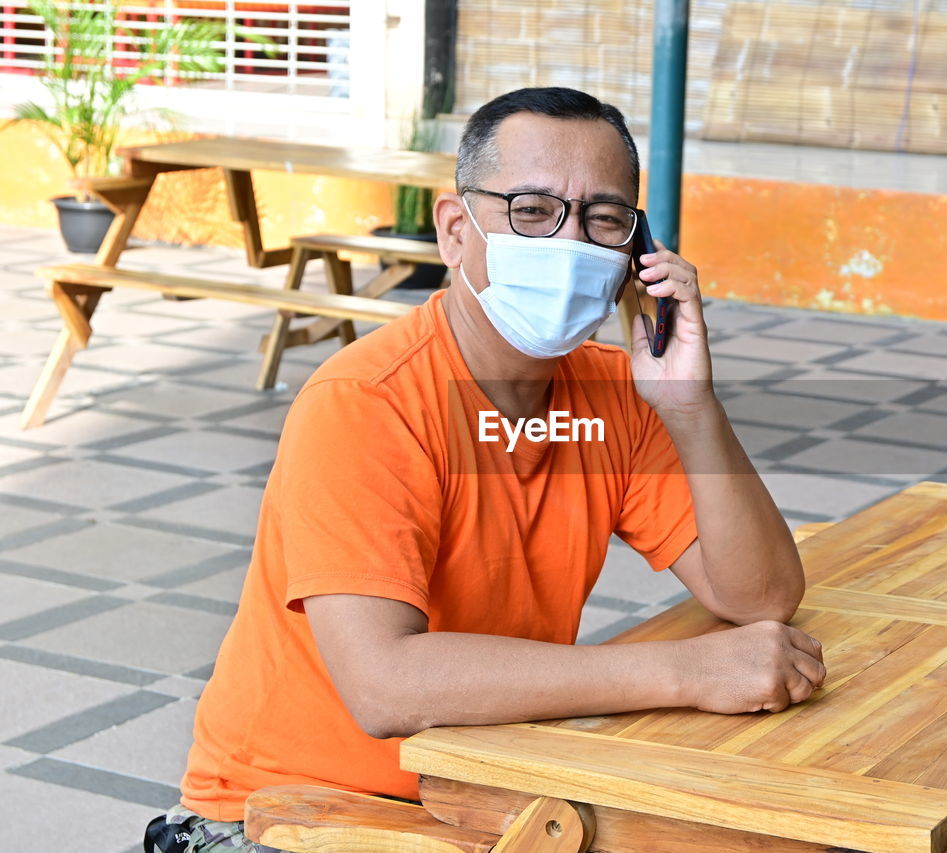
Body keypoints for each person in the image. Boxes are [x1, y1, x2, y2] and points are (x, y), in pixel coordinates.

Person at [144, 86, 825, 852]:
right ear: (455, 230)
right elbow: (385, 685)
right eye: (532, 209)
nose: (569, 242)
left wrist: (692, 408)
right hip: (288, 816)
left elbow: (762, 596)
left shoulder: (615, 393)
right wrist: (685, 671)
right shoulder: (368, 401)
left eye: (603, 218)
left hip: (480, 793)